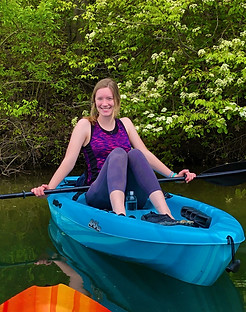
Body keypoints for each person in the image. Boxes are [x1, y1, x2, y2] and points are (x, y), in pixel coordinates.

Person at [32, 78, 196, 219]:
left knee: (136, 153)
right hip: (99, 193)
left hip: (130, 193)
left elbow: (146, 154)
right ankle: (120, 215)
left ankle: (166, 215)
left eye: (109, 99)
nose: (105, 103)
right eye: (100, 99)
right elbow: (69, 161)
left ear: (116, 101)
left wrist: (173, 175)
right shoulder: (86, 125)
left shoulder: (126, 124)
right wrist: (50, 187)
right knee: (118, 153)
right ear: (94, 101)